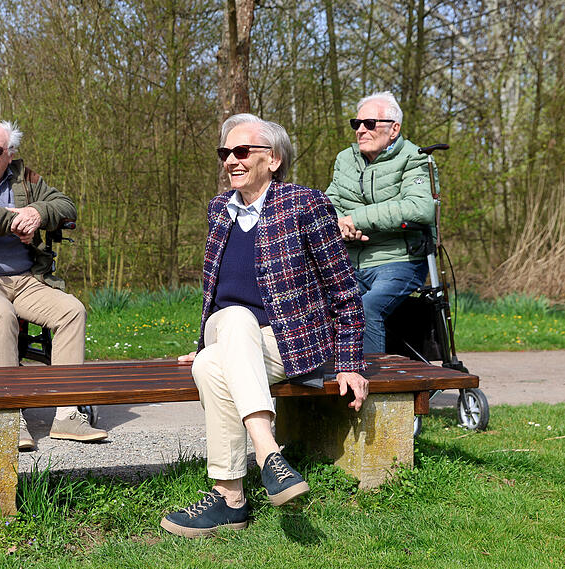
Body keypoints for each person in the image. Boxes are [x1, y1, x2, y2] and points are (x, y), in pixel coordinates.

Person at [161, 114, 368, 538]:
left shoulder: (304, 204)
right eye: (225, 153)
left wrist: (349, 362)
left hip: (283, 342)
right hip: (227, 327)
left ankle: (230, 499)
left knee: (209, 367)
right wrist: (203, 338)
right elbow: (215, 292)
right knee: (235, 318)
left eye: (241, 152)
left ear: (272, 159)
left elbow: (343, 289)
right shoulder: (219, 210)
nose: (230, 162)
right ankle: (269, 453)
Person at [0, 117, 107, 450]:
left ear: (9, 153)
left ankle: (68, 415)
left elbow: (66, 205)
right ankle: (8, 416)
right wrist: (16, 219)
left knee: (72, 310)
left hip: (26, 279)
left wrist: (38, 213)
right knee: (1, 313)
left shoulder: (26, 179)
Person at [325, 91, 437, 354]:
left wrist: (358, 219)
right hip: (350, 260)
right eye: (357, 124)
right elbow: (331, 203)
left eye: (370, 124)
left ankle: (376, 387)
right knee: (308, 304)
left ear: (394, 129)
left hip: (398, 261)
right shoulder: (345, 159)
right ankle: (318, 386)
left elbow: (420, 208)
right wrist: (341, 227)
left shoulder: (415, 158)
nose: (361, 130)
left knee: (366, 307)